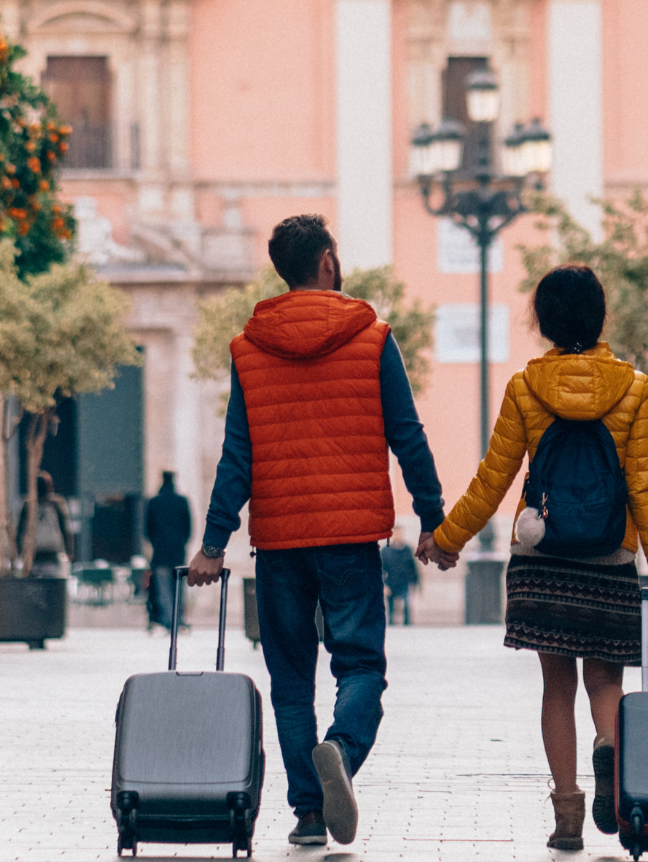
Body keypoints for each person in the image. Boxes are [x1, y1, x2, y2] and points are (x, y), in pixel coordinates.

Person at [188, 214, 446, 851]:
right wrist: (436, 519)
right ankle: (342, 749)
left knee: (291, 679)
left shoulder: (249, 349)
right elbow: (407, 435)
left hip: (278, 540)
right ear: (328, 260)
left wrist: (214, 543)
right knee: (360, 666)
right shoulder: (372, 337)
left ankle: (307, 810)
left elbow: (237, 456)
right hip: (351, 535)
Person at [432, 265, 648, 855]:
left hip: (541, 554)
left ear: (542, 322)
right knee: (605, 681)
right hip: (609, 554)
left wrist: (448, 539)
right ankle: (610, 753)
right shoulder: (636, 388)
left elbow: (493, 478)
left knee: (555, 686)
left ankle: (567, 814)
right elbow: (647, 486)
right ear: (601, 317)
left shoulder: (526, 387)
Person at [145, 470, 193, 632]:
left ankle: (168, 621)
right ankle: (178, 620)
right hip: (178, 552)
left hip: (160, 553)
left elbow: (147, 530)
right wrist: (181, 543)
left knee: (164, 590)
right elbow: (188, 528)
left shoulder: (154, 502)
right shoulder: (182, 501)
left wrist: (156, 543)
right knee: (179, 589)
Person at [16, 471, 74, 574]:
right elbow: (65, 528)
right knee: (51, 579)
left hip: (34, 551)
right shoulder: (56, 504)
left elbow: (20, 529)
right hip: (51, 551)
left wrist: (19, 551)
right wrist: (69, 550)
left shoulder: (27, 505)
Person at [380, 533, 420, 626]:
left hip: (404, 582)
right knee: (391, 607)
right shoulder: (385, 551)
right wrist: (384, 585)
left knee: (406, 605)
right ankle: (392, 626)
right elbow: (381, 569)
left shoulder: (407, 550)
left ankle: (407, 625)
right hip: (391, 583)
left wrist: (415, 583)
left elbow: (413, 568)